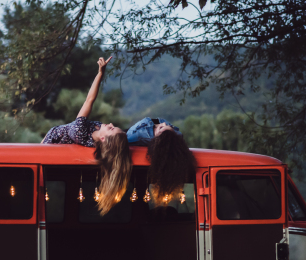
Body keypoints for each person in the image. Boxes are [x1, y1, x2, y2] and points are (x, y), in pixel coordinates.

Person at [42, 56, 132, 215]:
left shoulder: (81, 130)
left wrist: (100, 74)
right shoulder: (99, 135)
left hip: (51, 140)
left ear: (103, 139)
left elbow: (90, 99)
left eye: (111, 129)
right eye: (113, 126)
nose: (110, 124)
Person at [126, 117, 195, 204]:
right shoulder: (176, 138)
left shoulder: (136, 136)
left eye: (162, 127)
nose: (163, 124)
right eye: (166, 126)